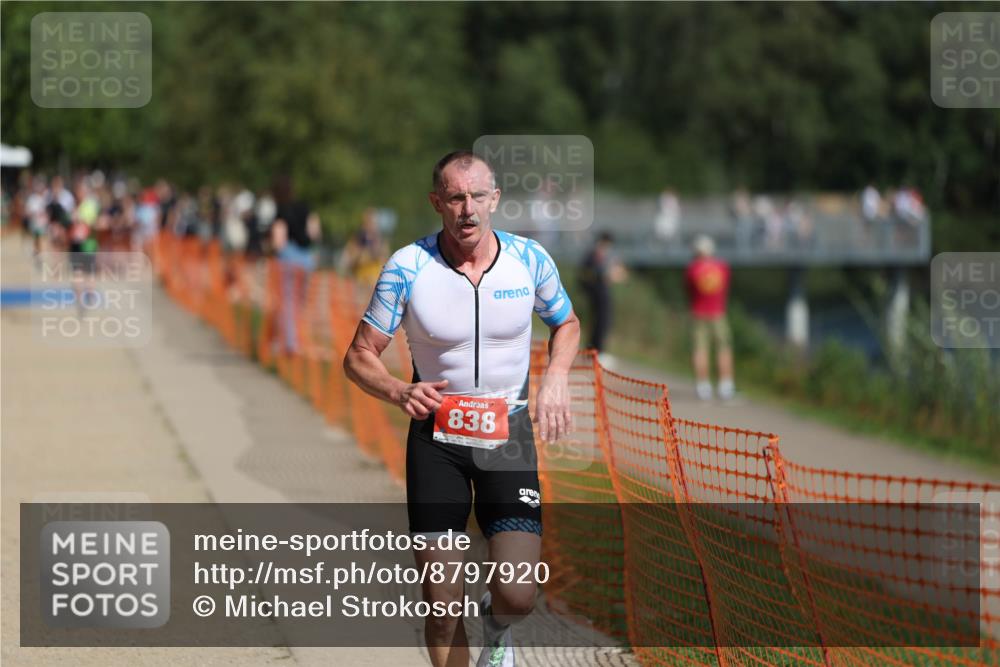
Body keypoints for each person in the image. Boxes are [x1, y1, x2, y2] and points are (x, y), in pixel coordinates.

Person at [343, 150, 580, 667]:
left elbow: (567, 323)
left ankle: (496, 628)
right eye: (455, 198)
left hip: (508, 436)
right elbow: (358, 355)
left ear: (495, 199)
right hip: (437, 441)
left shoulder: (530, 259)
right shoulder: (407, 267)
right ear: (437, 203)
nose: (467, 209)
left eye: (477, 196)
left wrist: (556, 376)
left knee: (517, 595)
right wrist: (396, 391)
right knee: (442, 607)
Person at [270, 175, 321, 355]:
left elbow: (278, 240)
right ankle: (299, 338)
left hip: (288, 259)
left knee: (287, 301)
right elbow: (314, 232)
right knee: (301, 302)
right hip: (306, 260)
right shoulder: (305, 208)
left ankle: (289, 342)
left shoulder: (280, 211)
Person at [685, 235, 734, 401]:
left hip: (698, 313)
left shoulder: (692, 269)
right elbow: (726, 287)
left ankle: (703, 386)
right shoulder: (722, 267)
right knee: (723, 348)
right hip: (718, 313)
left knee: (700, 350)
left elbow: (689, 290)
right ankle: (725, 385)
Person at [578, 231, 627, 359]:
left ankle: (594, 351)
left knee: (602, 323)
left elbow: (620, 273)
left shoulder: (607, 255)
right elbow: (593, 274)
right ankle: (595, 352)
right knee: (600, 322)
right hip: (597, 293)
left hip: (602, 292)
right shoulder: (595, 254)